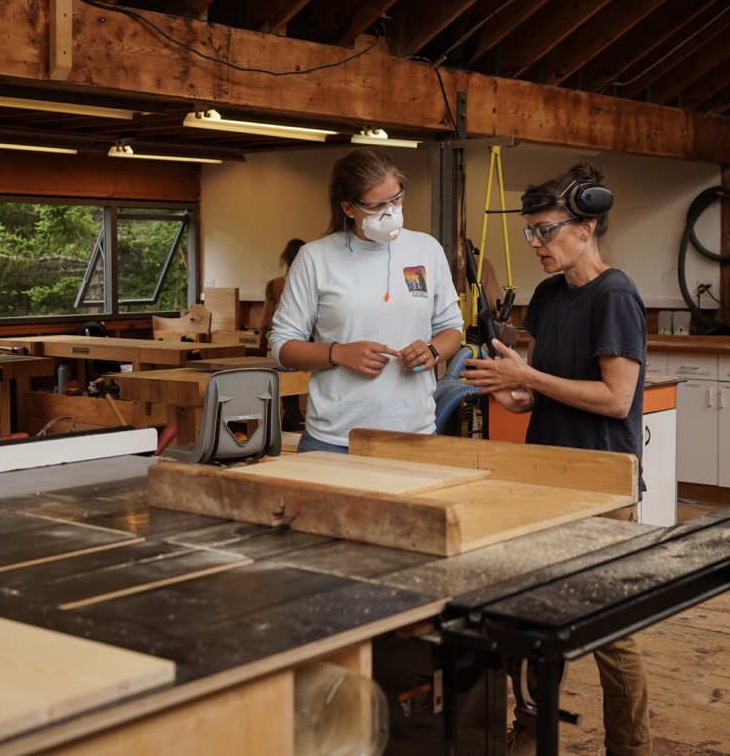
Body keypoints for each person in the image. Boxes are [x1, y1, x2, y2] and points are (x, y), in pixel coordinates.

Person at [461, 162, 651, 756]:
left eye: (546, 231)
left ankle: (630, 747)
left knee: (611, 632)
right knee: (538, 619)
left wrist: (529, 375)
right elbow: (531, 395)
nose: (537, 245)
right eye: (530, 234)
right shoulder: (546, 296)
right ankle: (532, 736)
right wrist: (504, 387)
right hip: (544, 478)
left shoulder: (614, 294)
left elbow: (617, 400)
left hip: (600, 481)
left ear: (587, 226)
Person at [269, 147, 463, 453]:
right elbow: (282, 346)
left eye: (396, 199)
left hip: (414, 433)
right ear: (349, 208)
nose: (391, 211)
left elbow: (452, 328)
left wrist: (433, 350)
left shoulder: (426, 250)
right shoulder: (316, 258)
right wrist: (337, 353)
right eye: (377, 206)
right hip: (336, 438)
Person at [259, 238, 307, 430]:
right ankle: (290, 428)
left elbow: (265, 319)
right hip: (304, 345)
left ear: (284, 259)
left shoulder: (275, 285)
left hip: (279, 343)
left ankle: (292, 427)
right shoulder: (309, 284)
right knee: (292, 393)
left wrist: (261, 340)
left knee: (284, 394)